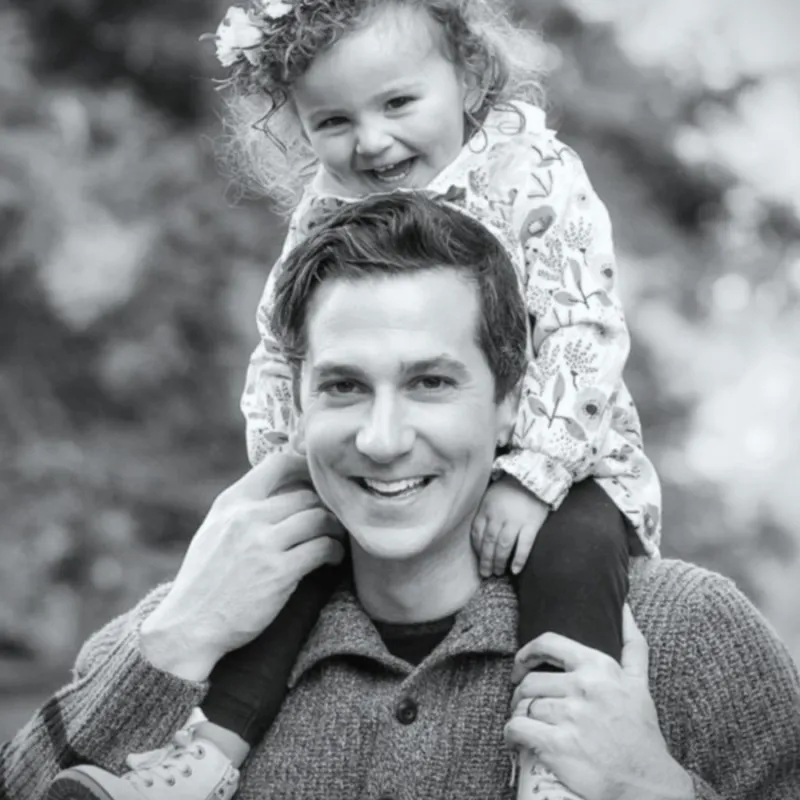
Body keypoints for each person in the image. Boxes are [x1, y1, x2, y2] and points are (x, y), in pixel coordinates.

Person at [45, 1, 662, 797]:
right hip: (403, 485)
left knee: (572, 558)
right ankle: (204, 758)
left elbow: (585, 329)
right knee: (291, 566)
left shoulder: (532, 173)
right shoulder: (326, 208)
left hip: (565, 454)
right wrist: (292, 469)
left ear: (471, 74)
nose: (370, 142)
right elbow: (282, 350)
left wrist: (534, 473)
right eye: (334, 121)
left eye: (398, 102)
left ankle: (557, 767)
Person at [4, 193, 798, 800]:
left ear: (511, 402)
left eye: (430, 383)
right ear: (297, 406)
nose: (382, 438)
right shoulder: (178, 636)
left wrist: (651, 789)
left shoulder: (688, 635)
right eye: (344, 386)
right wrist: (175, 641)